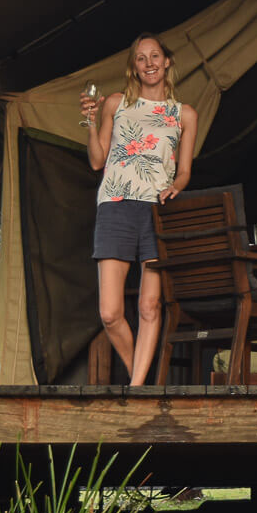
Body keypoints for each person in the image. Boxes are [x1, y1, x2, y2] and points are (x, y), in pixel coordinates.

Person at [81, 33, 197, 385]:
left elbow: (185, 171)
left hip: (156, 211)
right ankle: (144, 383)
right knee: (110, 312)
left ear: (167, 62)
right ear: (134, 66)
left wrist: (176, 187)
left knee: (149, 306)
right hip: (115, 206)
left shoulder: (184, 114)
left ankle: (135, 391)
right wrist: (89, 122)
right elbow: (97, 161)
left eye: (155, 56)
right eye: (142, 58)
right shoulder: (116, 103)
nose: (149, 63)